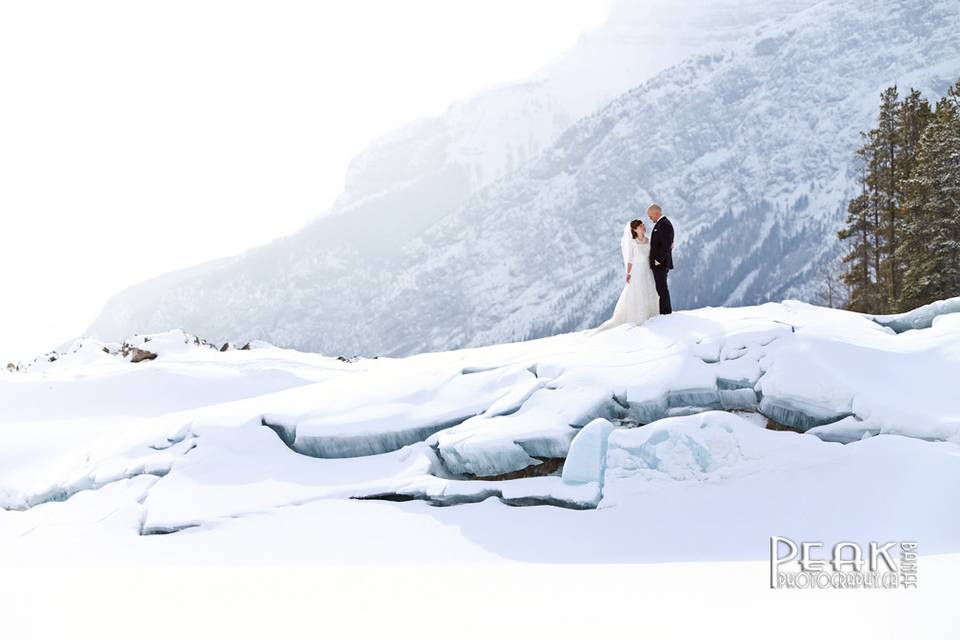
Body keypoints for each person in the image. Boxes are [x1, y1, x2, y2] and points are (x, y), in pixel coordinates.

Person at [595, 217, 660, 330]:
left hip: (647, 269)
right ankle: (639, 316)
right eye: (640, 226)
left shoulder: (648, 240)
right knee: (638, 291)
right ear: (635, 229)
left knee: (649, 289)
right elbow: (630, 260)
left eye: (643, 225)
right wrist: (628, 273)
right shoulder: (633, 243)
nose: (643, 227)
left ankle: (652, 314)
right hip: (638, 270)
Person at [646, 203, 674, 315]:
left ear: (656, 213)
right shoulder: (661, 224)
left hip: (661, 264)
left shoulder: (664, 224)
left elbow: (666, 245)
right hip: (660, 264)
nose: (649, 218)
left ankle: (666, 313)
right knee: (661, 288)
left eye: (650, 216)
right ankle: (665, 312)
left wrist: (658, 260)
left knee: (662, 289)